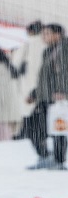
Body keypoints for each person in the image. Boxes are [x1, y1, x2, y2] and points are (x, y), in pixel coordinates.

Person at [26, 23, 68, 170]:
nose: (44, 37)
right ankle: (46, 156)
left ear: (58, 34)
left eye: (47, 34)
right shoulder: (49, 51)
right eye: (43, 34)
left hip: (59, 98)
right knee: (33, 126)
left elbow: (64, 73)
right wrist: (35, 93)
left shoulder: (64, 49)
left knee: (59, 128)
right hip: (46, 96)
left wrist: (64, 92)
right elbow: (46, 77)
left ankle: (58, 160)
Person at [11, 21, 47, 140]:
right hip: (47, 83)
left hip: (29, 83)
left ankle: (28, 131)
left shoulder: (27, 45)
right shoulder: (49, 44)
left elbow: (15, 64)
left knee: (28, 110)